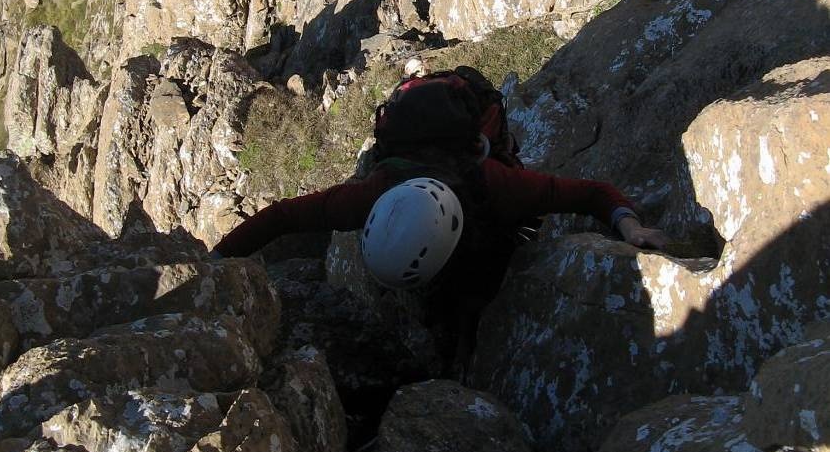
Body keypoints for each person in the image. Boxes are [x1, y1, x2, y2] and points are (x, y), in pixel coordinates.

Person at [212, 76, 667, 366]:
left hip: (481, 209)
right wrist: (213, 260)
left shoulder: (497, 186)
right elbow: (284, 217)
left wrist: (630, 226)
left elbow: (589, 194)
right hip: (429, 167)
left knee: (482, 279)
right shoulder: (370, 195)